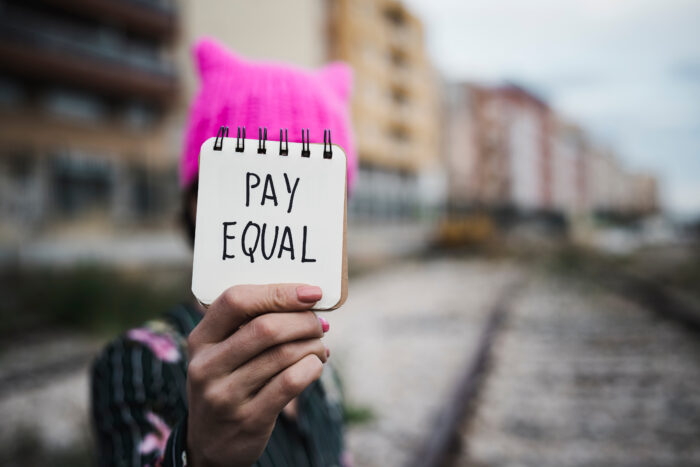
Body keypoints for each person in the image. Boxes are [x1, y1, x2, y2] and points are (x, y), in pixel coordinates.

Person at [90, 38, 358, 467]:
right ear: (198, 204)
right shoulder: (137, 366)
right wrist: (203, 456)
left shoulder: (322, 379)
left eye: (312, 194)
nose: (280, 213)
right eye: (255, 182)